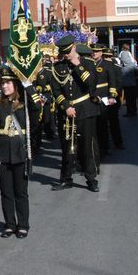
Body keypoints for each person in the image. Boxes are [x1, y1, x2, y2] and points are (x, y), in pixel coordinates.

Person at [0, 66, 39, 238]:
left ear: (16, 84)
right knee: (6, 192)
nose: (4, 86)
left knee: (20, 192)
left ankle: (23, 224)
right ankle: (9, 224)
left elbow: (37, 106)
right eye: (2, 83)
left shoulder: (24, 104)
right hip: (2, 154)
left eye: (8, 83)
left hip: (19, 153)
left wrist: (27, 85)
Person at [51, 35, 100, 193]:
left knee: (87, 146)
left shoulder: (87, 63)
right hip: (67, 112)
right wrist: (65, 106)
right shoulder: (58, 67)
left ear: (74, 48)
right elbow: (56, 90)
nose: (65, 55)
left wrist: (77, 64)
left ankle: (91, 178)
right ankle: (66, 178)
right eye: (63, 53)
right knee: (66, 148)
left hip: (85, 109)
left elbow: (91, 84)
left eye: (67, 52)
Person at [119, 43, 138, 117]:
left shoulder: (121, 67)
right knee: (133, 98)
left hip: (126, 84)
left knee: (128, 98)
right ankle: (134, 111)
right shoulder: (132, 66)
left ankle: (129, 111)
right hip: (133, 84)